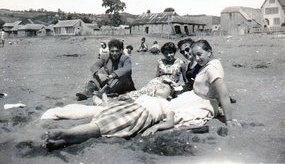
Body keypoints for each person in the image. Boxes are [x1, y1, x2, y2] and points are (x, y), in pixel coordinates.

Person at [45, 83, 175, 150]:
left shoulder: (167, 103)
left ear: (169, 95)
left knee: (101, 127)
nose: (162, 85)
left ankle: (65, 135)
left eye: (167, 86)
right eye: (161, 85)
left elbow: (170, 122)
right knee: (102, 120)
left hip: (141, 114)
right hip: (127, 107)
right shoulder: (146, 96)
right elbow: (129, 99)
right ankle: (62, 140)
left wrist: (157, 126)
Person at [170, 39, 239, 127]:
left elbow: (224, 95)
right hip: (194, 98)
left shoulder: (211, 69)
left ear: (209, 52)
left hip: (204, 103)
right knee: (169, 107)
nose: (197, 59)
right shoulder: (206, 65)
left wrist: (229, 120)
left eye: (199, 54)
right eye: (195, 55)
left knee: (174, 114)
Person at [122, 42, 188, 100]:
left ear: (174, 52)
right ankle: (131, 96)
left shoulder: (180, 63)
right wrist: (152, 83)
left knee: (156, 91)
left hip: (170, 84)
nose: (168, 55)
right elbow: (157, 76)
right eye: (166, 53)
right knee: (147, 89)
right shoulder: (160, 62)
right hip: (158, 81)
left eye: (171, 53)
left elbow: (185, 79)